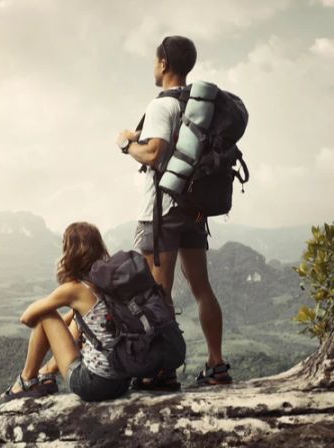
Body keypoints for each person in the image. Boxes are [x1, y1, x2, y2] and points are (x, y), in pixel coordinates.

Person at [115, 35, 232, 387]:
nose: (153, 66)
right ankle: (217, 365)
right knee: (201, 288)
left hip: (162, 210)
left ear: (164, 63)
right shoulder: (199, 107)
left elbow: (153, 154)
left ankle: (162, 370)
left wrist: (126, 144)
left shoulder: (162, 105)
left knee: (158, 293)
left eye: (155, 60)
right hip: (194, 208)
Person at [0, 222, 131, 402]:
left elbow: (27, 318)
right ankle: (46, 374)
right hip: (122, 381)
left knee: (46, 315)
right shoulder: (107, 283)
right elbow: (83, 319)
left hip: (94, 385)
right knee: (76, 319)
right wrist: (71, 316)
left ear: (71, 251)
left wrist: (51, 314)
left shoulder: (75, 289)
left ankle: (26, 381)